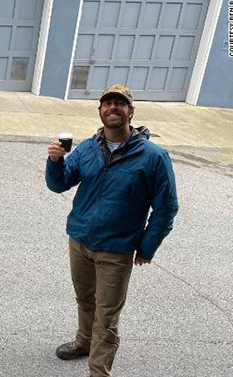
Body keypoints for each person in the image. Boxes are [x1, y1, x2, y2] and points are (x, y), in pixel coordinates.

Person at [45, 84, 178, 376]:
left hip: (116, 249)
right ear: (100, 111)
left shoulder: (153, 156)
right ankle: (83, 341)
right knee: (85, 299)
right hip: (79, 239)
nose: (113, 108)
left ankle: (99, 371)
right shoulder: (89, 147)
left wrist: (146, 246)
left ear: (131, 111)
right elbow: (59, 184)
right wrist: (55, 162)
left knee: (106, 316)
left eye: (120, 103)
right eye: (107, 103)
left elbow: (167, 208)